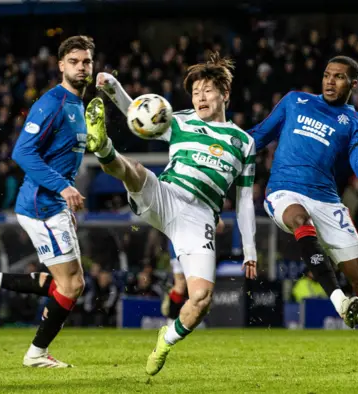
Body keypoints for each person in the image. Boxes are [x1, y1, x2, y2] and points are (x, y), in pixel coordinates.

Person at [88, 53, 257, 376]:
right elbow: (139, 115)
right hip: (168, 195)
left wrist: (249, 249)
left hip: (200, 218)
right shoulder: (180, 121)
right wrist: (113, 88)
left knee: (202, 299)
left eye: (207, 91)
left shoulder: (243, 142)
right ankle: (103, 146)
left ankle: (166, 339)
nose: (200, 98)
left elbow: (245, 199)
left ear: (225, 94)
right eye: (195, 93)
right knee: (135, 170)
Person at [249, 56, 358, 372]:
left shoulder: (356, 122)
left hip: (327, 201)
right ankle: (338, 301)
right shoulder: (295, 101)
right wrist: (223, 139)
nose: (331, 81)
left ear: (353, 85)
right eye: (327, 75)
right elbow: (259, 135)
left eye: (340, 77)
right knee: (299, 221)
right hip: (284, 191)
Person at [0, 36, 95, 368]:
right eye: (74, 61)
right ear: (61, 65)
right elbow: (22, 152)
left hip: (52, 205)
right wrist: (63, 189)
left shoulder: (78, 105)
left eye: (87, 62)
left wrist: (63, 198)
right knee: (73, 284)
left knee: (69, 283)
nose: (81, 67)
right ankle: (36, 353)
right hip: (40, 205)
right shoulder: (52, 103)